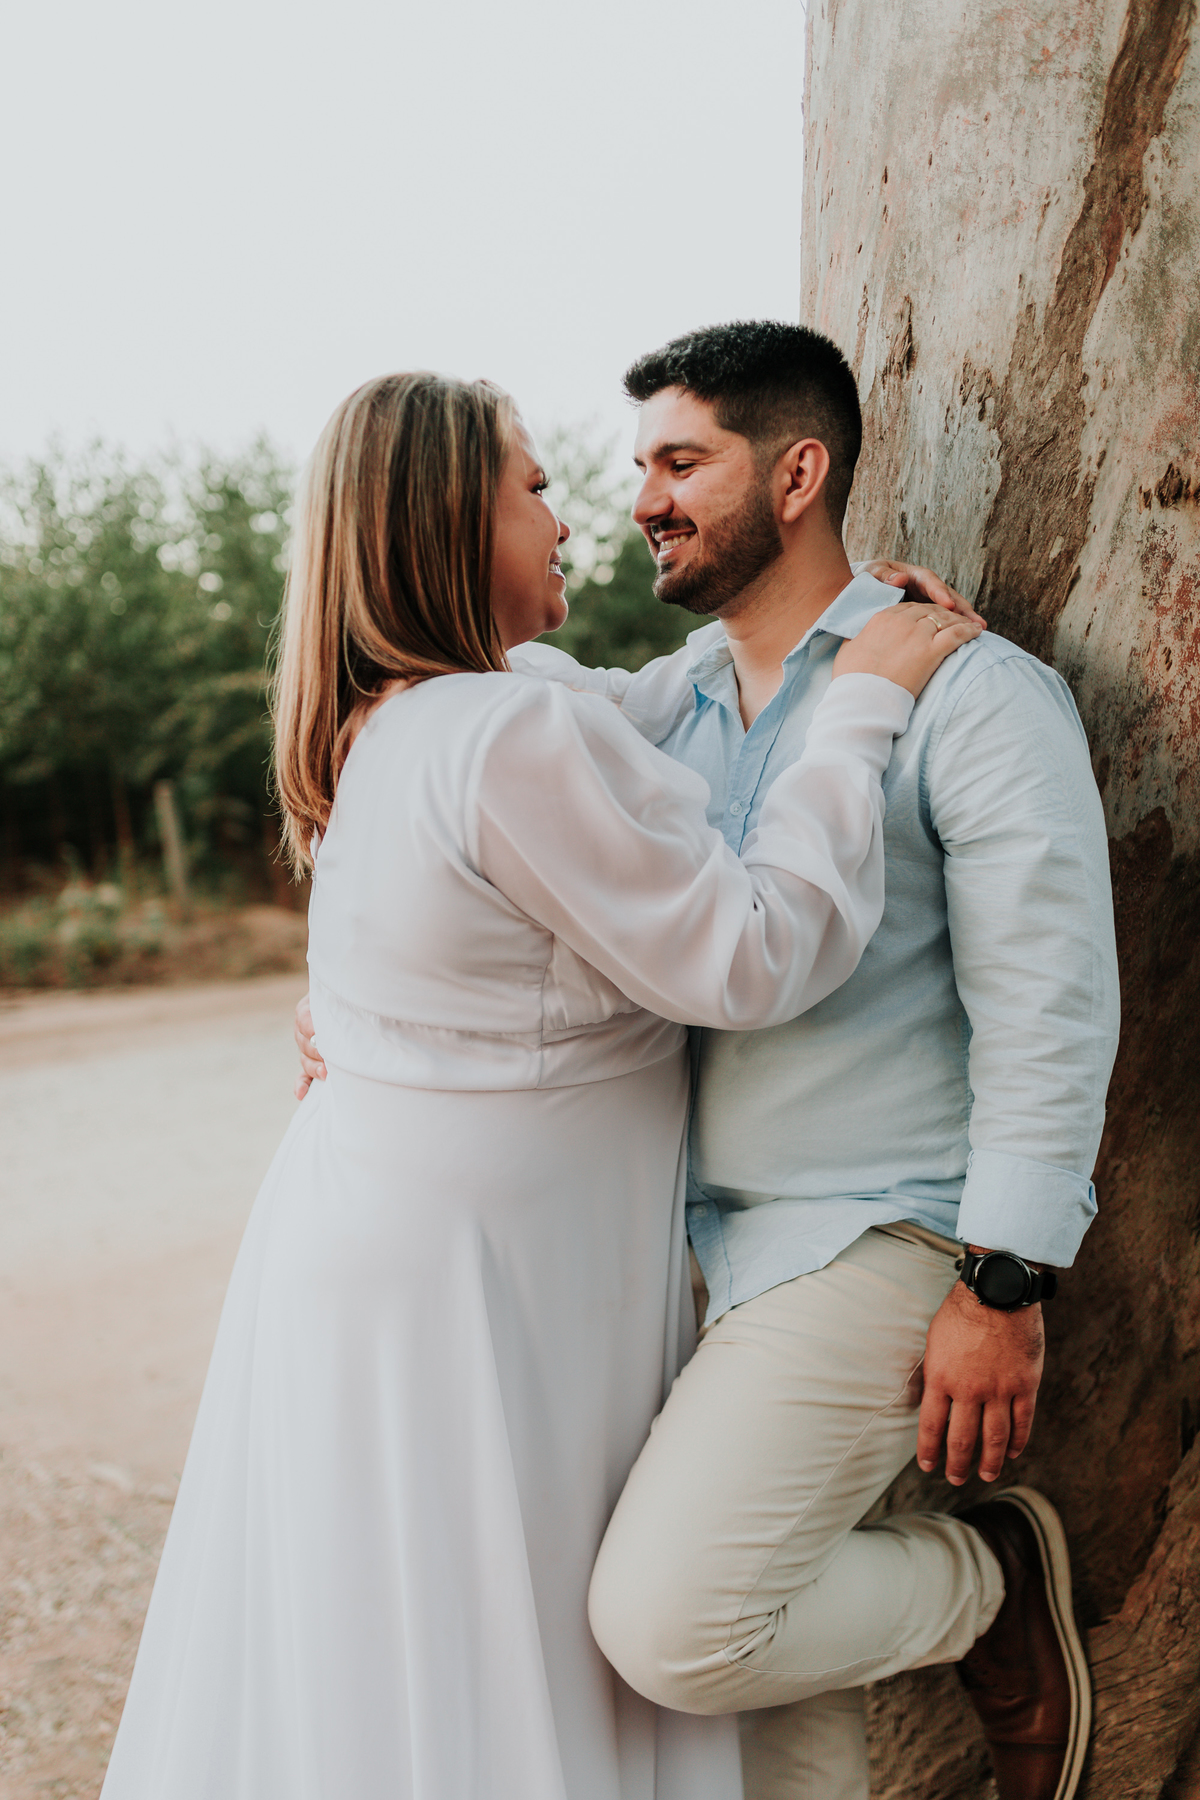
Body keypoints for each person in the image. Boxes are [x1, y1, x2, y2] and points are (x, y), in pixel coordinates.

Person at [100, 370, 978, 1800]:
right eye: (535, 488)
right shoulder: (506, 735)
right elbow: (752, 952)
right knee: (516, 1645)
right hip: (493, 1289)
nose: (571, 519)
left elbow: (646, 702)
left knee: (401, 1655)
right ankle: (983, 1590)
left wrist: (835, 618)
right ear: (454, 519)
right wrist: (866, 702)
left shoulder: (406, 719)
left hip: (377, 1256)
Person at [306, 323, 1118, 1800]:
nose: (641, 502)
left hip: (872, 1233)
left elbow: (1049, 1007)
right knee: (753, 1717)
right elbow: (475, 821)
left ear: (797, 475)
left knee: (677, 1627)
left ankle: (989, 1582)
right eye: (637, 467)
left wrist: (1005, 1283)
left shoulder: (970, 693)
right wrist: (366, 1019)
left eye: (682, 464)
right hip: (677, 1251)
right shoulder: (652, 703)